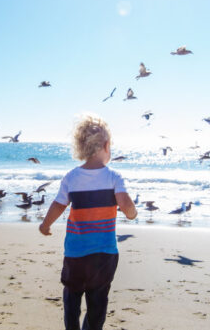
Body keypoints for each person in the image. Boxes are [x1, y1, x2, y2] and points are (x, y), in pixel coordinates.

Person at [39, 114, 137, 330]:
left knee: (72, 299)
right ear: (107, 145)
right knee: (98, 303)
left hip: (75, 254)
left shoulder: (71, 177)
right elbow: (127, 206)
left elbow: (58, 205)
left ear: (81, 147)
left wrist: (45, 225)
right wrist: (131, 213)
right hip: (104, 254)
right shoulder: (114, 177)